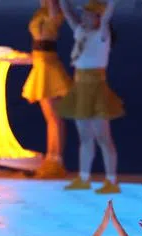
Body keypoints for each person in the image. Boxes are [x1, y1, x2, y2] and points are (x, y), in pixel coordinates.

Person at [57, 0, 123, 194]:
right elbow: (67, 12)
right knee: (85, 137)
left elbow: (108, 15)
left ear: (98, 18)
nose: (84, 17)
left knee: (103, 137)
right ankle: (83, 177)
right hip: (80, 88)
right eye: (84, 14)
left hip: (96, 88)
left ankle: (111, 180)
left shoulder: (102, 35)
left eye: (88, 14)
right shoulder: (81, 32)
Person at [22, 0, 72, 179]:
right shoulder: (41, 11)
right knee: (50, 118)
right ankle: (51, 158)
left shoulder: (55, 11)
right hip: (40, 63)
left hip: (48, 66)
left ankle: (56, 160)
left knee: (55, 118)